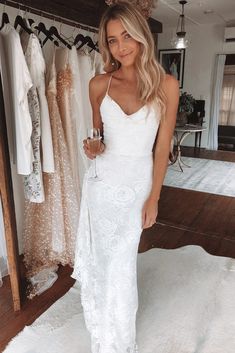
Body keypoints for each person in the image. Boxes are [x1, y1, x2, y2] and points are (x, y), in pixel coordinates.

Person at [71, 2, 179, 352]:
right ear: (107, 45)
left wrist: (154, 197)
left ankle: (120, 341)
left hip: (136, 186)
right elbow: (96, 136)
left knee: (121, 264)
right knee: (104, 262)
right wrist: (91, 147)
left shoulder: (166, 85)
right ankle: (102, 331)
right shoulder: (99, 84)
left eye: (127, 35)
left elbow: (162, 148)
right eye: (113, 40)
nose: (122, 46)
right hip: (103, 185)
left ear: (141, 35)